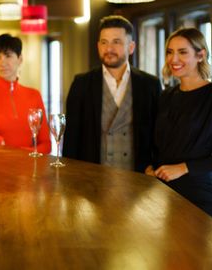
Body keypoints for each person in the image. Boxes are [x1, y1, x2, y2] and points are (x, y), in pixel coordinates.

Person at [146, 27, 212, 223]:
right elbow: (158, 144)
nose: (174, 59)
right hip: (161, 192)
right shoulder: (166, 97)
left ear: (201, 55)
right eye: (170, 52)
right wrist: (150, 166)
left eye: (182, 52)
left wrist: (183, 167)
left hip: (200, 194)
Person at [63, 15, 161, 172]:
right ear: (98, 46)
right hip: (93, 176)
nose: (109, 49)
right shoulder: (81, 83)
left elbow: (158, 135)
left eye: (116, 42)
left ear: (131, 47)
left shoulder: (150, 84)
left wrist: (155, 167)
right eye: (104, 42)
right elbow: (71, 138)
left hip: (139, 177)